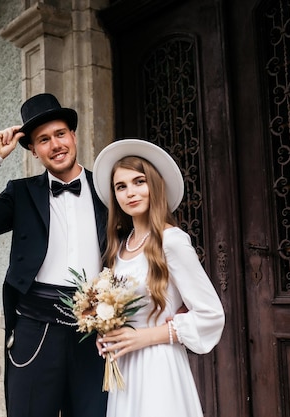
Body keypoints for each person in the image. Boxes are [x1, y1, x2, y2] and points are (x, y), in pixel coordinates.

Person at [0, 93, 108, 417]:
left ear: (73, 136)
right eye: (43, 140)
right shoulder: (21, 193)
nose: (55, 145)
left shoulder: (107, 190)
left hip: (95, 330)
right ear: (34, 151)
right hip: (36, 328)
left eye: (60, 134)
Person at [91, 138, 225, 417]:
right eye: (121, 186)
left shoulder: (171, 241)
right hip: (126, 371)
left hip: (159, 367)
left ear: (154, 185)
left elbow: (211, 314)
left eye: (139, 182)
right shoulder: (120, 247)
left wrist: (144, 337)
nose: (131, 192)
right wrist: (108, 334)